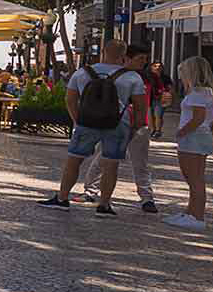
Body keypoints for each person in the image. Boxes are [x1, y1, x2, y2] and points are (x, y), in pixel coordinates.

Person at [38, 40, 147, 215]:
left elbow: (70, 99)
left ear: (103, 51)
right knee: (111, 165)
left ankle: (62, 198)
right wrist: (134, 128)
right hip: (118, 124)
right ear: (124, 55)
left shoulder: (82, 73)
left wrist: (78, 120)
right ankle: (104, 205)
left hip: (86, 123)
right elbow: (141, 107)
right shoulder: (132, 77)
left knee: (74, 160)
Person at [75, 44, 158, 212]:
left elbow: (150, 102)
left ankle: (147, 198)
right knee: (102, 159)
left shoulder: (148, 77)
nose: (144, 62)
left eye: (146, 59)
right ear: (127, 58)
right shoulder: (119, 76)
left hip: (139, 125)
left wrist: (146, 122)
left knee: (140, 162)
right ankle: (90, 191)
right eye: (140, 58)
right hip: (117, 124)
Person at [166, 56, 213, 231]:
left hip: (193, 137)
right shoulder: (208, 92)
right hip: (200, 136)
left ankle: (197, 216)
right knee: (195, 178)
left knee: (193, 178)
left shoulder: (197, 93)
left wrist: (182, 132)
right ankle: (191, 212)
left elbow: (198, 118)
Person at [143, 61, 168, 138]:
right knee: (150, 116)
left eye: (159, 66)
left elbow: (170, 87)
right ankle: (153, 130)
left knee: (158, 115)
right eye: (155, 66)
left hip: (160, 99)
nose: (157, 68)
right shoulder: (147, 77)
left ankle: (158, 131)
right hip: (149, 98)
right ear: (151, 68)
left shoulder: (165, 77)